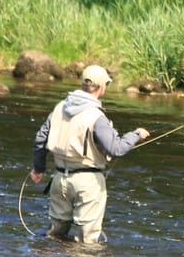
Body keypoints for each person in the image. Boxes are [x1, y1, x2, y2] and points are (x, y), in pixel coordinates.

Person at [30, 65, 150, 244]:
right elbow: (116, 148)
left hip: (59, 179)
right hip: (87, 183)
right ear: (102, 87)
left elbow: (41, 139)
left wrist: (38, 168)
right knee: (87, 242)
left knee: (56, 236)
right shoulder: (96, 116)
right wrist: (136, 134)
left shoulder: (59, 107)